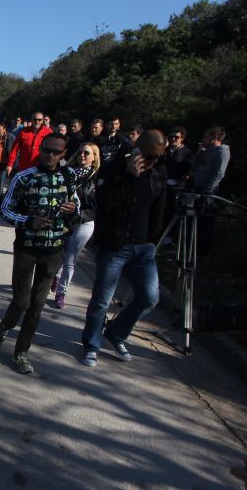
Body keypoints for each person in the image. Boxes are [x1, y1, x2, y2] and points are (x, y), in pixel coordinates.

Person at [0, 133, 79, 374]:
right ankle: (4, 327)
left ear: (63, 154)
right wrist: (29, 221)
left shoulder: (69, 177)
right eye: (46, 150)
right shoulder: (24, 177)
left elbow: (79, 207)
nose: (50, 155)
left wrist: (73, 210)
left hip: (54, 251)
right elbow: (4, 209)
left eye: (56, 152)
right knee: (21, 301)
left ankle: (21, 352)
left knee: (37, 306)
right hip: (26, 249)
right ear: (40, 149)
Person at [79, 129, 168, 367]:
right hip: (114, 246)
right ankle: (91, 345)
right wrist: (129, 177)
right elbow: (105, 204)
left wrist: (153, 240)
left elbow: (159, 208)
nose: (153, 161)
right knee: (101, 301)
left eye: (158, 157)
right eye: (150, 156)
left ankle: (116, 333)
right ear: (138, 149)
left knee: (150, 298)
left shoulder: (159, 171)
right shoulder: (114, 169)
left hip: (143, 248)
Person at [50, 142, 101, 308]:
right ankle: (56, 277)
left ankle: (61, 293)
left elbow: (98, 202)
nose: (82, 156)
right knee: (59, 252)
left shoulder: (98, 177)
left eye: (87, 153)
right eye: (80, 152)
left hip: (85, 221)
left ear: (94, 157)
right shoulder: (66, 172)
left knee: (71, 257)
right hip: (65, 219)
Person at [191, 126, 231, 254]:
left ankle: (204, 250)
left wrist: (208, 189)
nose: (204, 139)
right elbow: (194, 166)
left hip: (208, 192)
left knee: (205, 220)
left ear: (214, 138)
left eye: (206, 137)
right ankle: (195, 246)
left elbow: (219, 173)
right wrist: (199, 153)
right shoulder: (207, 151)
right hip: (197, 189)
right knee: (197, 219)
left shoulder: (222, 152)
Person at [163, 127, 193, 239]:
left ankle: (173, 237)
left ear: (182, 138)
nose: (173, 139)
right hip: (163, 185)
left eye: (176, 137)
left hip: (177, 188)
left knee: (174, 212)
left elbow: (189, 171)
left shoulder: (186, 153)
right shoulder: (164, 151)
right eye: (171, 137)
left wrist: (180, 182)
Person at [5, 112, 53, 176]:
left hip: (41, 169)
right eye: (35, 119)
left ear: (42, 121)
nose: (37, 121)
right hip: (24, 168)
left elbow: (53, 151)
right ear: (31, 120)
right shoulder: (23, 132)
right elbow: (14, 149)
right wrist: (10, 165)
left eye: (39, 120)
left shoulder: (49, 132)